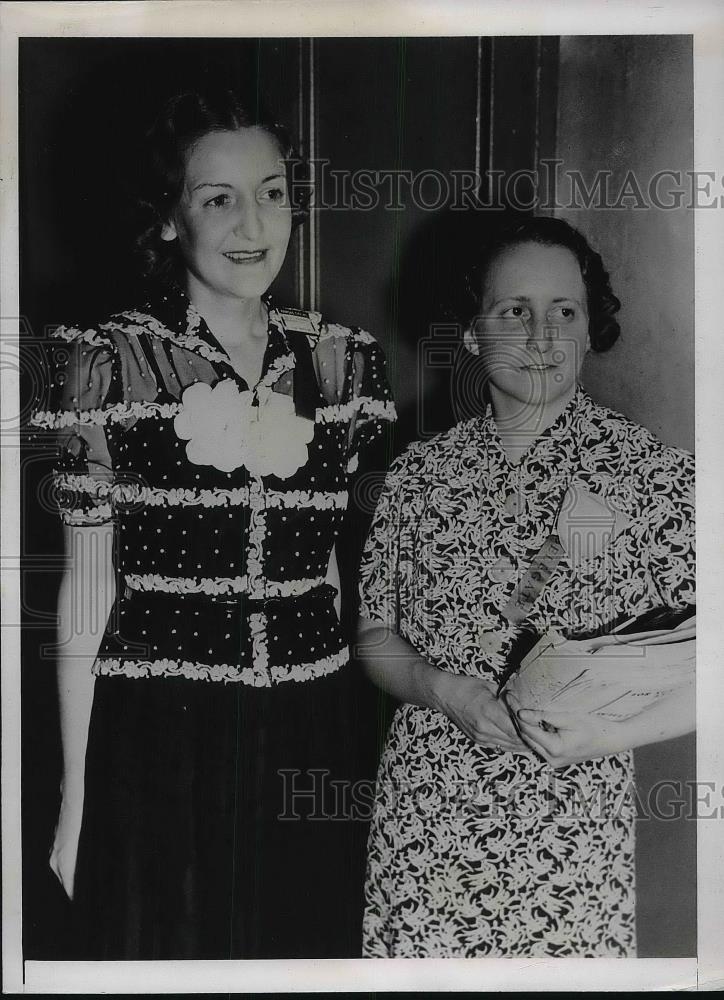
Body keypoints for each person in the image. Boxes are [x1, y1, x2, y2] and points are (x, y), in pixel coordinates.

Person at [31, 88, 395, 959]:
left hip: (312, 728)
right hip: (160, 731)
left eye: (272, 192)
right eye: (217, 197)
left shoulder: (343, 362)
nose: (253, 222)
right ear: (167, 220)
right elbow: (87, 591)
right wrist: (75, 802)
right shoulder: (103, 363)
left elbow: (336, 577)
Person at [356, 216, 695, 957]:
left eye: (564, 313)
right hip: (426, 830)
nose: (542, 337)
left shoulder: (647, 474)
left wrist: (608, 737)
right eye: (515, 311)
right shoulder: (418, 473)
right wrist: (443, 689)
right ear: (473, 332)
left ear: (586, 329)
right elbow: (376, 635)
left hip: (565, 839)